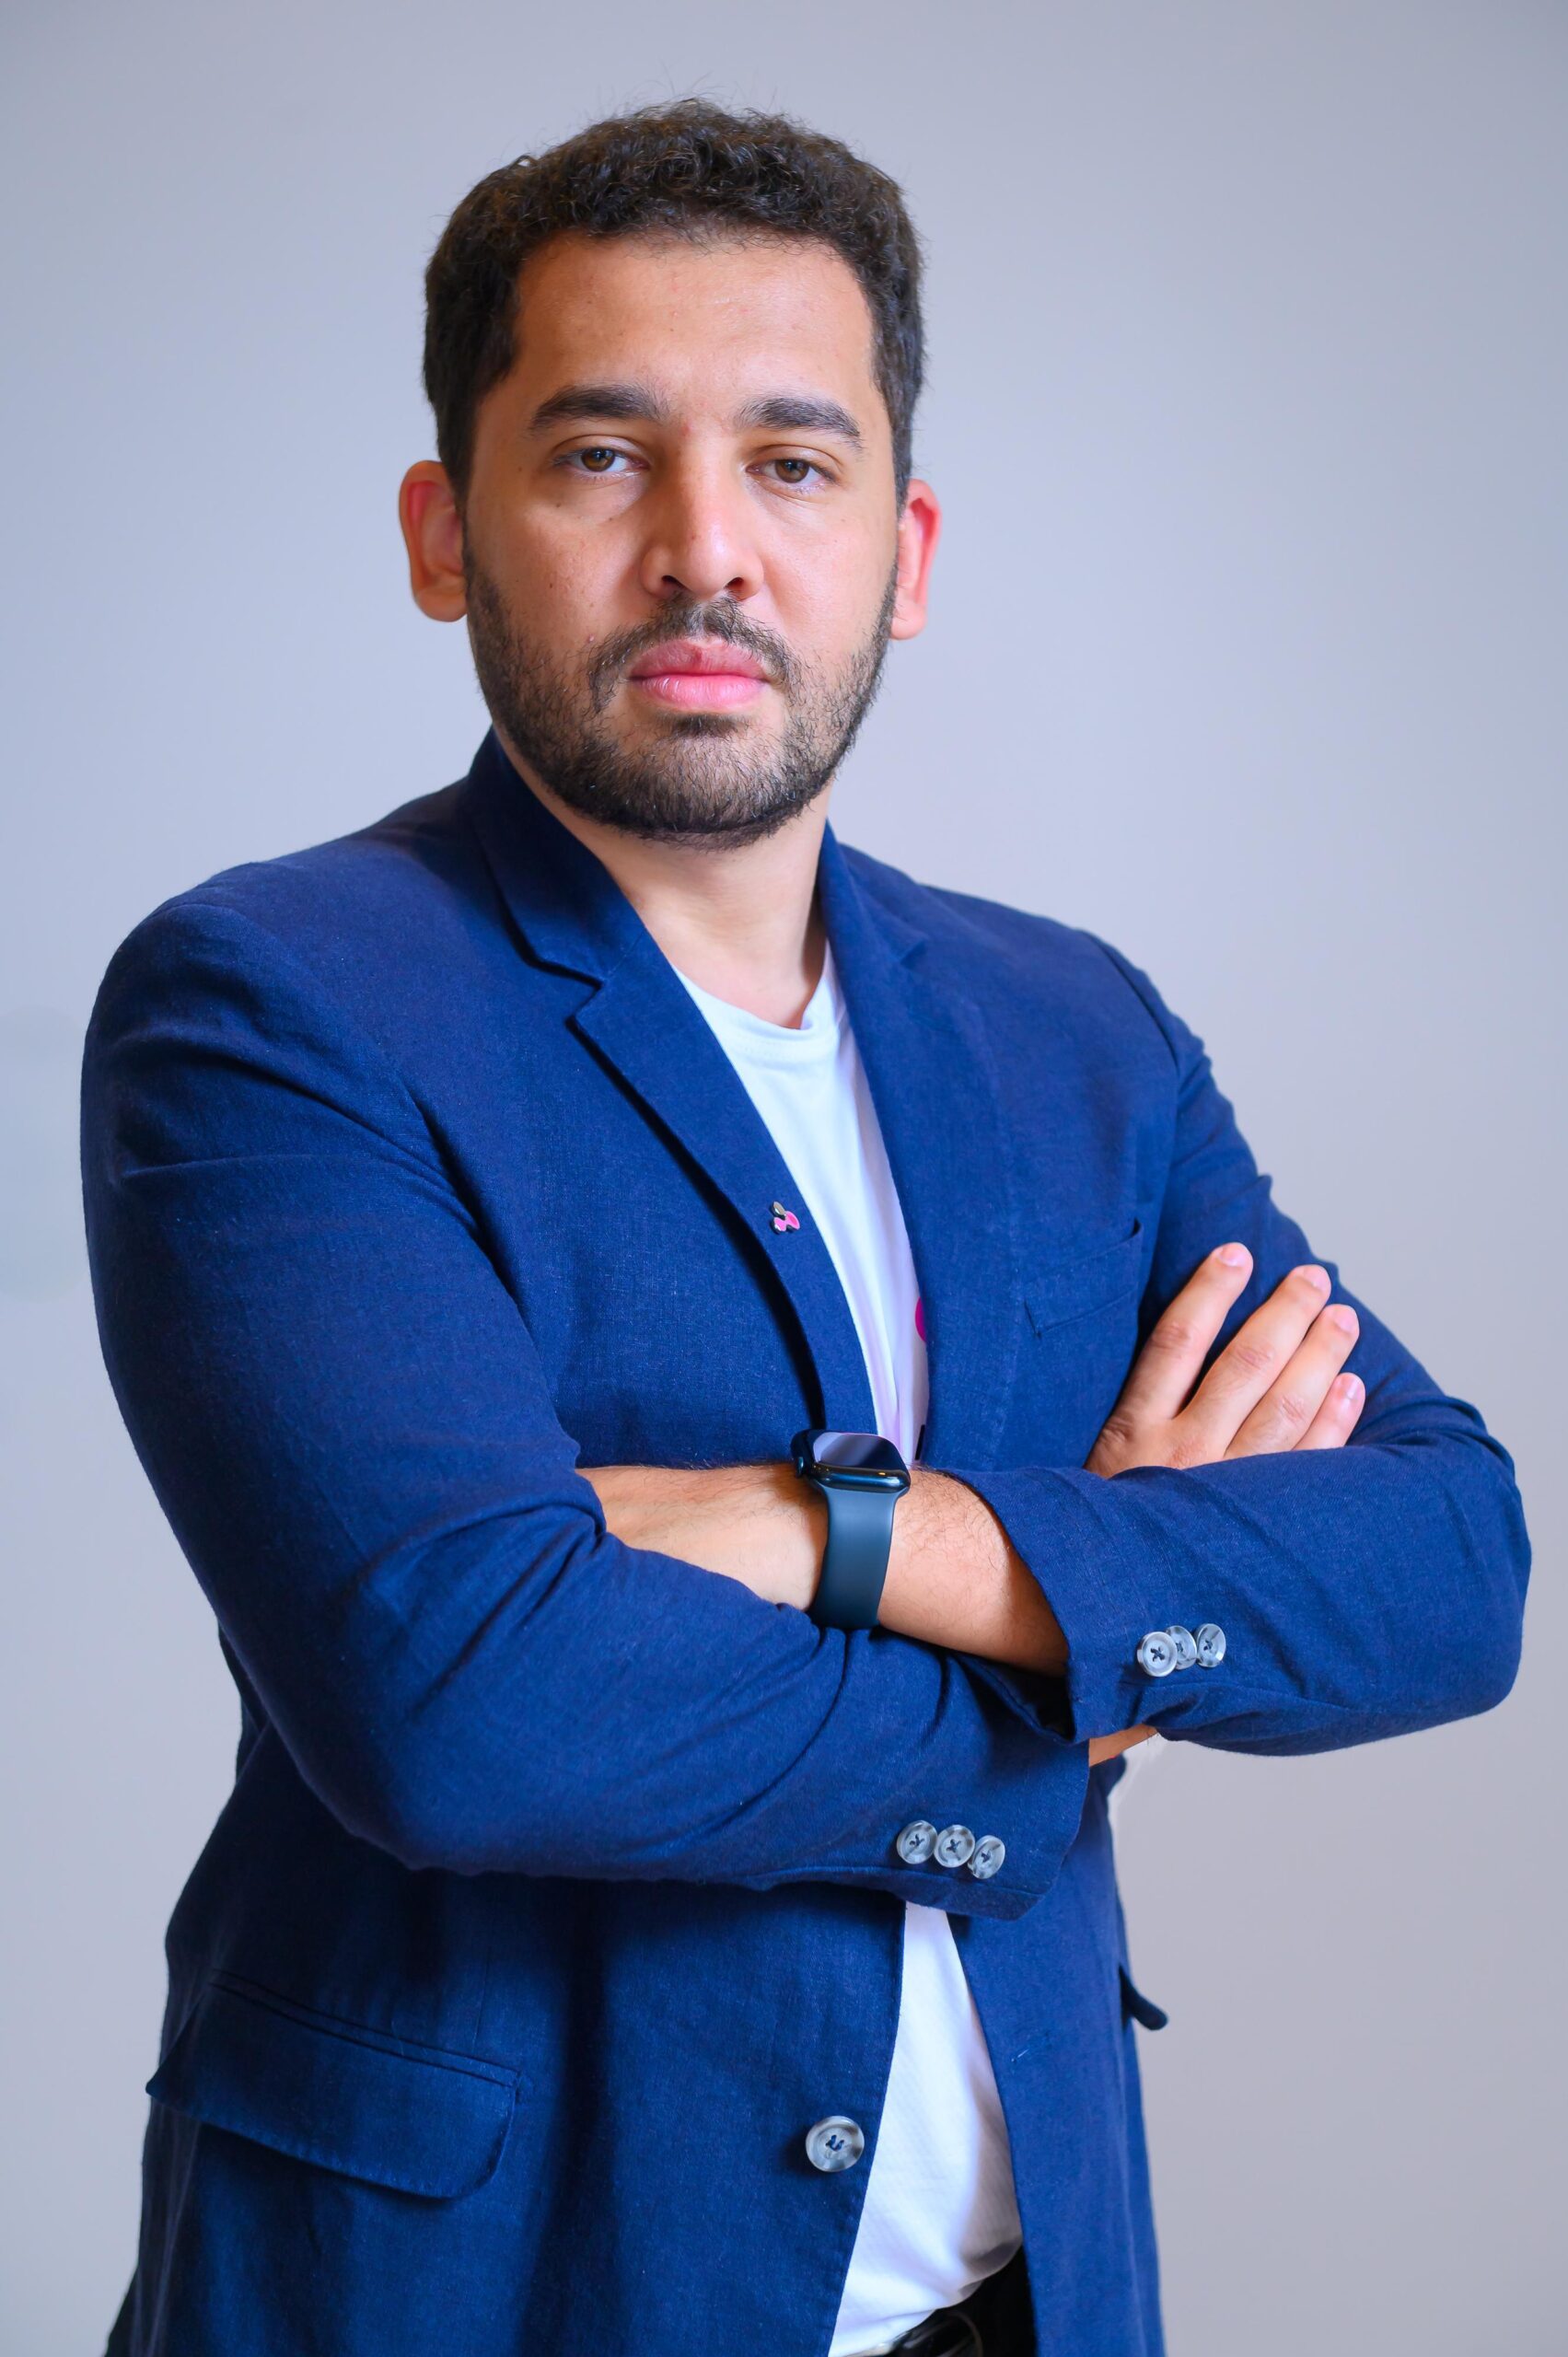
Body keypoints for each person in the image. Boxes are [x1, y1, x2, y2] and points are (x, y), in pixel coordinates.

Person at [81, 101, 1529, 2357]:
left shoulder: (1074, 1027)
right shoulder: (275, 1002)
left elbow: (1447, 1563)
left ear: (903, 549)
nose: (707, 551)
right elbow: (467, 1700)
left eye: (793, 460)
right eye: (600, 456)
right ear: (444, 532)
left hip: (1027, 2298)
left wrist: (829, 1533)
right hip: (494, 2298)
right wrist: (1079, 1667)